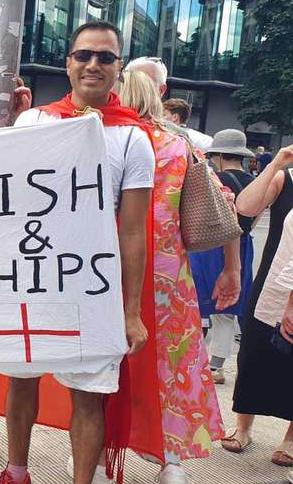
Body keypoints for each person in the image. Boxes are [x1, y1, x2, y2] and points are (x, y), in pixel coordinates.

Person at [0, 21, 155, 484]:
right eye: (84, 55)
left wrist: (131, 312)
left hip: (92, 291)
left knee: (88, 396)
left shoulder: (133, 139)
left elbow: (133, 233)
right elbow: (5, 202)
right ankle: (17, 470)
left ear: (118, 69)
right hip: (35, 282)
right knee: (21, 379)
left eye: (105, 57)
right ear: (68, 63)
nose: (93, 64)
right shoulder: (35, 123)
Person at [117, 71, 237, 483]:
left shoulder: (107, 140)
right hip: (169, 273)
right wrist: (232, 267)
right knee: (174, 363)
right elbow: (225, 204)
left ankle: (99, 456)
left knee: (108, 363)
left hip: (108, 269)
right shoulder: (180, 145)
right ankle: (172, 461)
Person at [220, 144, 293, 469]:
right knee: (252, 350)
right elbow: (245, 208)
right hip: (272, 279)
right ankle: (243, 426)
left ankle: (290, 438)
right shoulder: (286, 178)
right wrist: (277, 162)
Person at [187, 130, 256, 385]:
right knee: (228, 307)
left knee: (200, 302)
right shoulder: (254, 182)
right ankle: (217, 364)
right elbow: (253, 219)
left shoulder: (214, 178)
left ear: (217, 154)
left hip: (212, 245)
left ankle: (196, 358)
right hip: (243, 245)